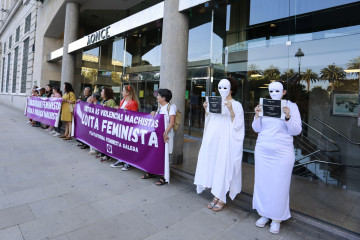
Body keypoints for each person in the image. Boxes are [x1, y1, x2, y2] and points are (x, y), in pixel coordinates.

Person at [252, 81, 302, 234]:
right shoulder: (264, 105)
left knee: (280, 185)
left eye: (277, 90)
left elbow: (296, 131)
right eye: (271, 90)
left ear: (284, 92)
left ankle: (277, 218)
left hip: (282, 152)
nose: (274, 93)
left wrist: (288, 117)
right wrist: (256, 115)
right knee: (263, 184)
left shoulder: (292, 106)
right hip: (262, 150)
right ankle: (264, 214)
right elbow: (256, 129)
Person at [194, 77, 245, 212]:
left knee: (224, 166)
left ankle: (221, 196)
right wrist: (206, 109)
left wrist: (231, 110)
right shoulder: (214, 102)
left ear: (231, 89)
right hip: (214, 140)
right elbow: (211, 119)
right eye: (220, 87)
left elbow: (239, 125)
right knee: (214, 165)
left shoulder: (237, 104)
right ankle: (216, 194)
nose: (222, 90)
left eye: (225, 87)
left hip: (227, 140)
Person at [141, 88, 176, 186]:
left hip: (166, 135)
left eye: (159, 95)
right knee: (156, 153)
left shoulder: (171, 107)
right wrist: (153, 114)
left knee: (165, 156)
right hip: (157, 135)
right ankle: (152, 171)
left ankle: (165, 176)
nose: (157, 97)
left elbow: (172, 122)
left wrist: (165, 133)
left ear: (164, 98)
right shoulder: (160, 106)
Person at [111, 85, 140, 170]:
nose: (122, 92)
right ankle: (121, 160)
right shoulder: (122, 101)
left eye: (123, 91)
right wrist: (118, 108)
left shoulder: (133, 103)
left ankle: (128, 162)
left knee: (128, 145)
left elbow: (134, 117)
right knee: (121, 144)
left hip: (128, 127)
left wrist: (127, 112)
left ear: (127, 93)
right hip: (121, 126)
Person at [96, 87, 116, 162]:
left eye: (102, 91)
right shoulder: (102, 101)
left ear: (106, 93)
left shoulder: (111, 102)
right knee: (102, 139)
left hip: (108, 124)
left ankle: (107, 155)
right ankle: (102, 152)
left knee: (107, 140)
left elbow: (113, 112)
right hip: (102, 123)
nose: (101, 93)